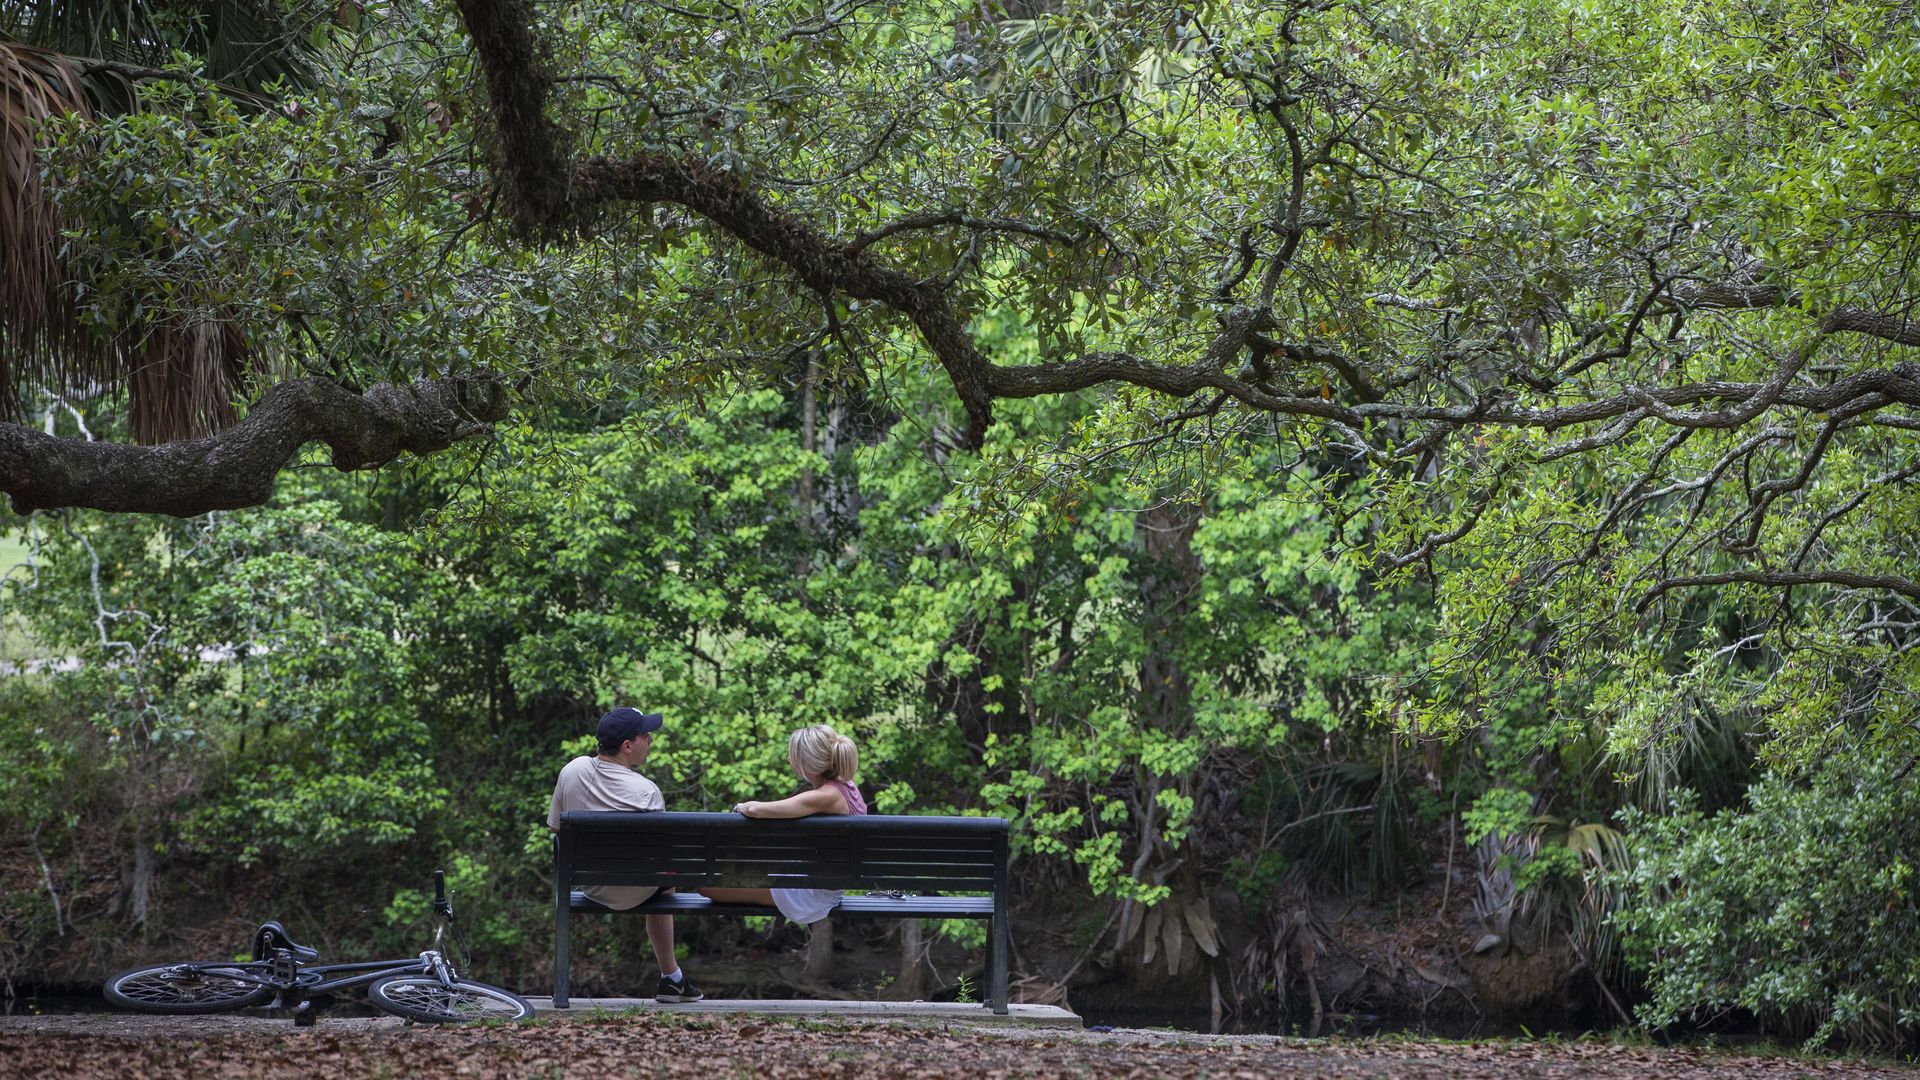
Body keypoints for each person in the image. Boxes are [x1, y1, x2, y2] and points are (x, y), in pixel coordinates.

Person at [548, 706, 703, 1003]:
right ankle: (671, 977)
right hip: (636, 891)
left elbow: (557, 830)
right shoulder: (646, 791)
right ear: (627, 746)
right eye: (646, 736)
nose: (651, 741)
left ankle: (672, 979)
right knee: (668, 876)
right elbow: (658, 854)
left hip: (589, 885)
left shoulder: (573, 770)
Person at [698, 724, 866, 925]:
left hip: (812, 895)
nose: (789, 760)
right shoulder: (848, 786)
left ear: (806, 762)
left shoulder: (826, 796)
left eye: (793, 756)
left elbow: (755, 810)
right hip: (821, 885)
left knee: (706, 885)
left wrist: (740, 807)